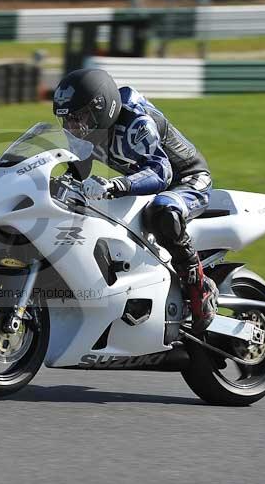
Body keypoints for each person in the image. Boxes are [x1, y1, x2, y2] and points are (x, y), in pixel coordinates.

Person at [52, 68, 218, 334]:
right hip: (147, 183)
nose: (73, 127)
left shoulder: (135, 122)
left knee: (163, 212)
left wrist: (117, 184)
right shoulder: (87, 133)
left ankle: (200, 287)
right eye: (67, 120)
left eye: (78, 117)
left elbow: (161, 171)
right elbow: (77, 172)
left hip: (187, 179)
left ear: (101, 107)